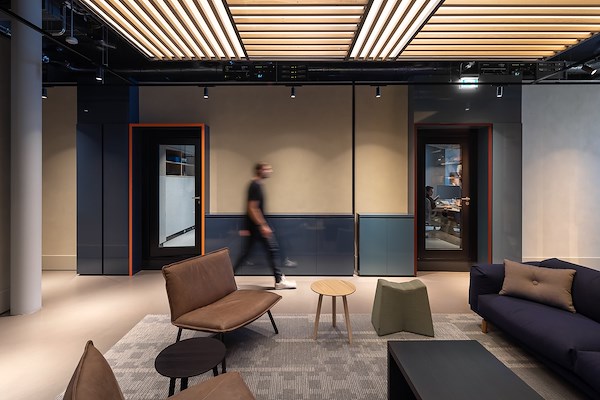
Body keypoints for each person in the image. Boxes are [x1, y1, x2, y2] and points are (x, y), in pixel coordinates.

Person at [233, 162, 296, 290]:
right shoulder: (255, 185)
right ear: (260, 170)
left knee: (247, 254)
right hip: (257, 227)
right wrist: (263, 225)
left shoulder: (256, 185)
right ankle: (279, 280)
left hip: (254, 227)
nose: (270, 171)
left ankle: (227, 277)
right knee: (273, 249)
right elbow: (252, 208)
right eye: (267, 169)